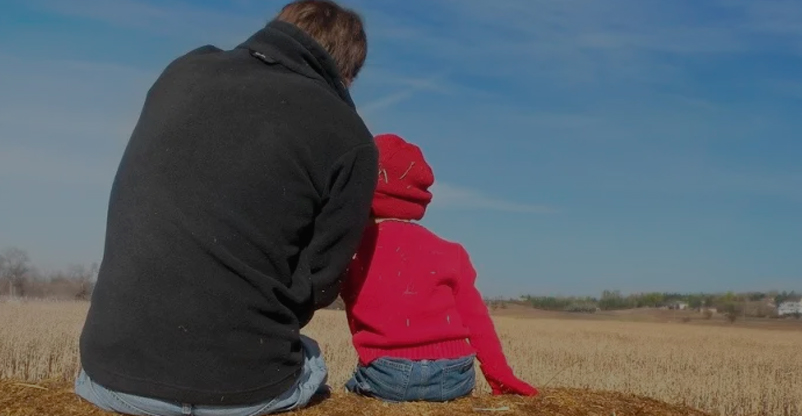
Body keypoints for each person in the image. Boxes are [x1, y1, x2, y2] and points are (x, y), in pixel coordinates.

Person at [75, 1, 378, 415]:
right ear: (347, 73)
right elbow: (319, 284)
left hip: (106, 377)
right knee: (312, 357)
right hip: (239, 391)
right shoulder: (351, 137)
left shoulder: (183, 70)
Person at [340, 134, 539, 403]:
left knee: (346, 389)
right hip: (456, 374)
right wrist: (499, 375)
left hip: (389, 375)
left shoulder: (353, 250)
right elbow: (476, 319)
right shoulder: (450, 251)